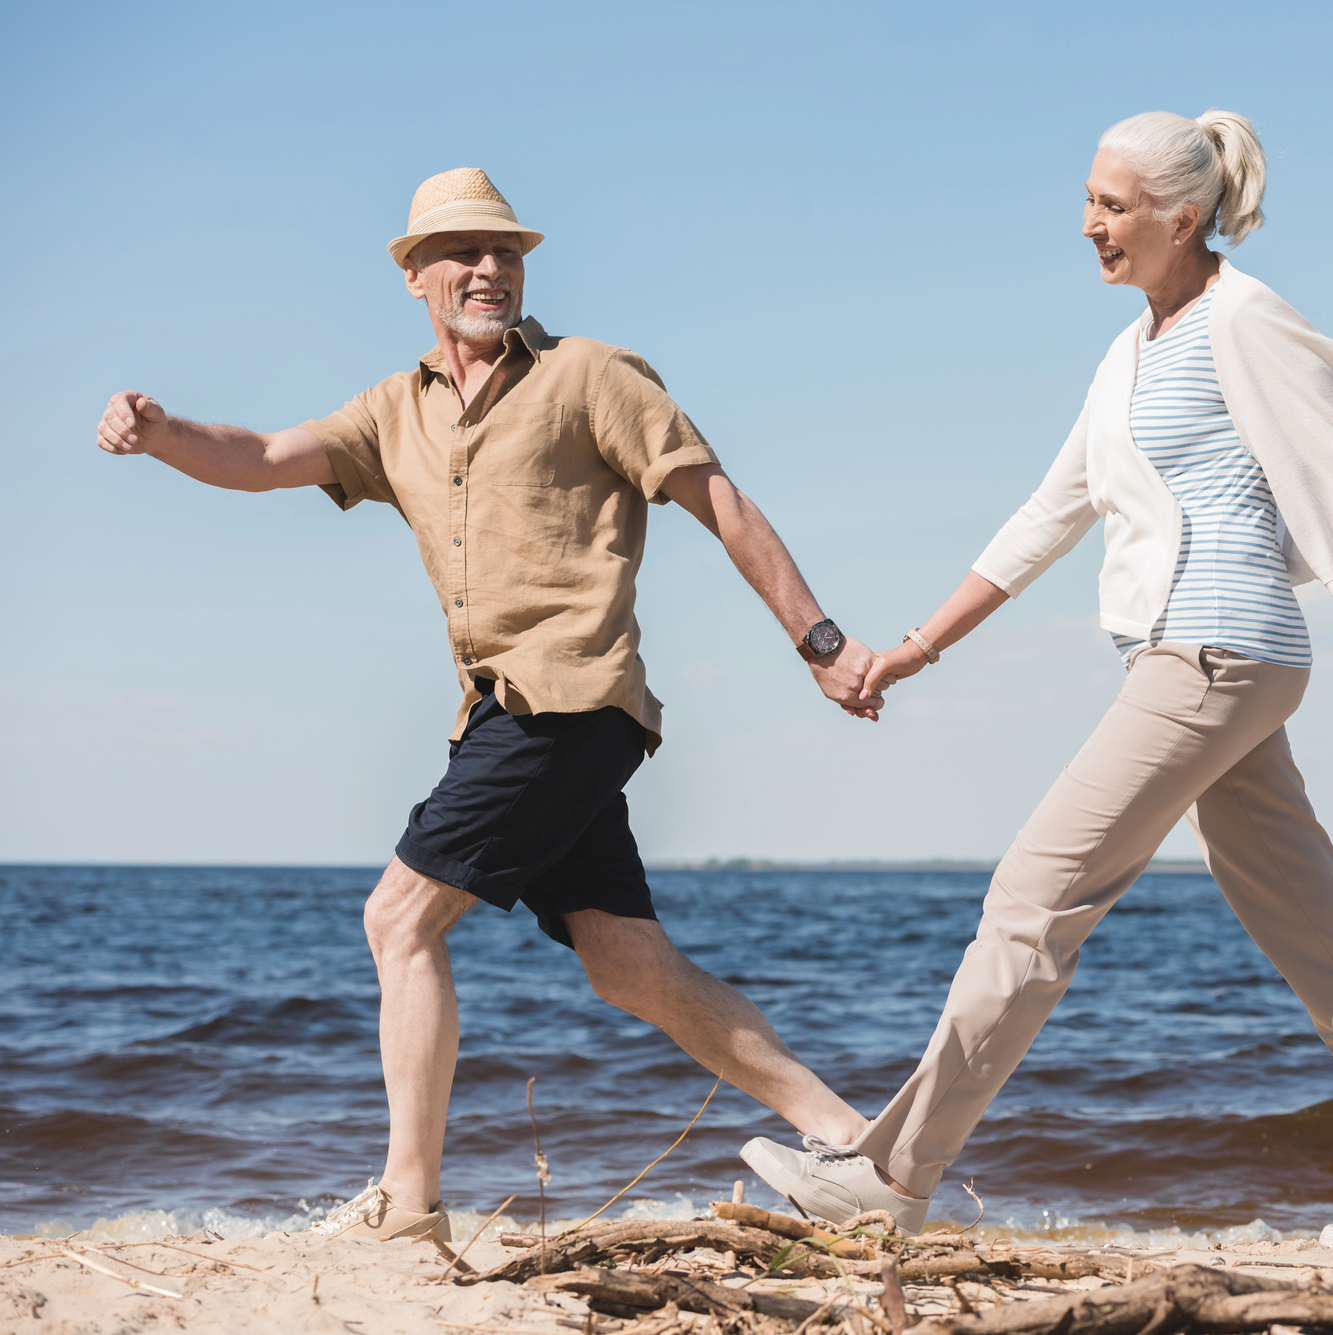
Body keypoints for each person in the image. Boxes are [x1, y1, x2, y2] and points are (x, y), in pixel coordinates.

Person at [740, 112, 1333, 1252]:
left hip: (1209, 654)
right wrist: (910, 650)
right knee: (1314, 935)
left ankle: (893, 1175)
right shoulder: (1132, 353)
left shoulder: (1242, 320)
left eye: (1110, 205)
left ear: (1183, 214)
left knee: (1029, 903)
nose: (1088, 225)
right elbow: (1047, 513)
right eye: (1084, 200)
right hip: (1221, 668)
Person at [95, 168, 890, 1247]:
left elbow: (721, 502)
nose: (489, 269)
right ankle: (856, 1146)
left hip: (569, 699)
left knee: (397, 918)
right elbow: (269, 458)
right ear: (414, 276)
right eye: (463, 253)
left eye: (504, 251)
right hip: (504, 714)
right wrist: (162, 430)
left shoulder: (590, 376)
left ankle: (408, 1206)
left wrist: (820, 641)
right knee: (625, 964)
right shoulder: (394, 410)